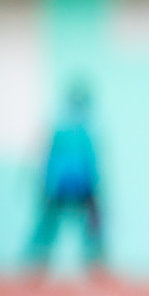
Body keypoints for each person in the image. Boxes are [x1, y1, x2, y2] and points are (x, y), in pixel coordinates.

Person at [27, 84, 104, 277]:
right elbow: (91, 163)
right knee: (55, 225)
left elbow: (48, 160)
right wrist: (96, 190)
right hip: (77, 187)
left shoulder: (61, 129)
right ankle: (92, 262)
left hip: (63, 187)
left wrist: (44, 185)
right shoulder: (83, 131)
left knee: (55, 225)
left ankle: (41, 261)